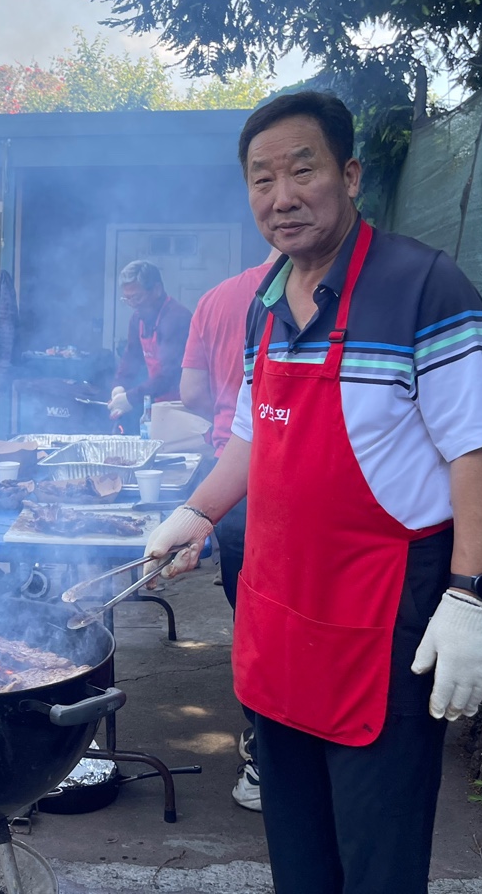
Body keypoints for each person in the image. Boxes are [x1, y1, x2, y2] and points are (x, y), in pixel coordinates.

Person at [145, 91, 482, 894]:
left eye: (301, 170)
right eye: (260, 179)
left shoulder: (426, 288)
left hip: (380, 619)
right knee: (299, 852)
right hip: (278, 613)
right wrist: (197, 511)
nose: (281, 197)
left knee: (377, 858)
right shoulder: (264, 304)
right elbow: (252, 433)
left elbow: (479, 453)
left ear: (349, 175)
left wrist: (473, 596)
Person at [180, 245, 280, 810]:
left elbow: (192, 392)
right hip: (295, 480)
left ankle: (269, 759)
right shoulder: (337, 292)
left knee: (254, 617)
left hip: (232, 475)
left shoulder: (217, 297)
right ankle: (278, 753)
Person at [108, 260, 192, 427]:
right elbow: (131, 358)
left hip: (184, 405)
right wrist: (119, 386)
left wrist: (131, 397)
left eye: (137, 297)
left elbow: (171, 375)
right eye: (127, 299)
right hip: (156, 403)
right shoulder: (137, 318)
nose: (133, 305)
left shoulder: (176, 318)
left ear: (156, 290)